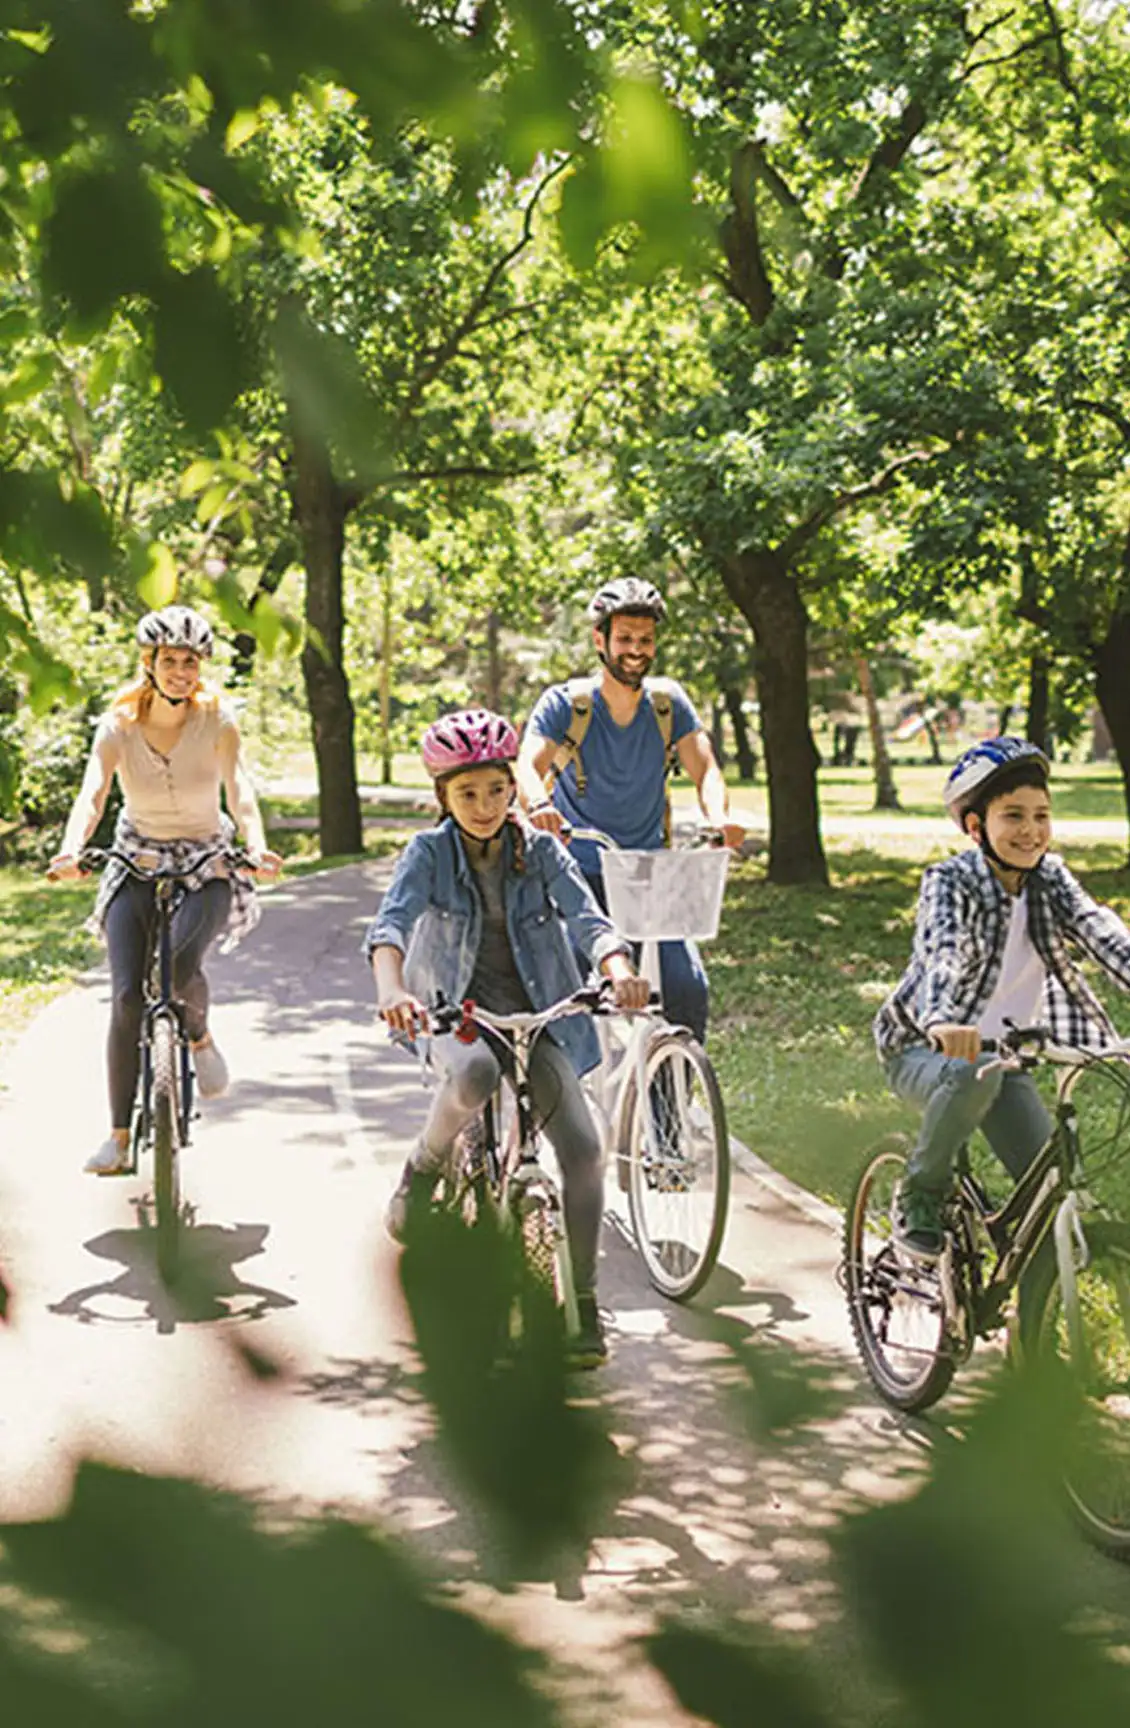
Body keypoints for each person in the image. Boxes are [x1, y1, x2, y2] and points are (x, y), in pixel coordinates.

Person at [365, 706, 648, 1369]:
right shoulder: (428, 852)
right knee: (472, 1078)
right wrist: (392, 991)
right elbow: (391, 927)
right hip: (455, 1013)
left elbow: (587, 918)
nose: (486, 804)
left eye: (497, 788)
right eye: (467, 793)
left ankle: (580, 1300)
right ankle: (424, 1167)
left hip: (536, 1013)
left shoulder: (542, 849)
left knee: (582, 1148)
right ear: (443, 797)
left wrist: (619, 969)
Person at [874, 735, 1130, 1259]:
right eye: (1013, 816)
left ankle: (1029, 1338)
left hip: (1007, 1063)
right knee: (971, 1072)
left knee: (1046, 1203)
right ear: (976, 826)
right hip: (926, 1050)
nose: (1031, 831)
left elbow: (1101, 932)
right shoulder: (950, 881)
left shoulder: (1049, 879)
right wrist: (943, 1019)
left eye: (1041, 815)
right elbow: (942, 949)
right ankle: (919, 1194)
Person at [48, 605, 281, 1175]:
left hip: (206, 859)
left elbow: (240, 791)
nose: (181, 672)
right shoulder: (118, 726)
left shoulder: (218, 720)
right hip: (136, 855)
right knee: (127, 997)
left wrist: (255, 843)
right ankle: (120, 1139)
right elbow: (93, 794)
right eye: (170, 660)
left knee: (177, 965)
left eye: (191, 661)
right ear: (148, 663)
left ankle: (197, 1038)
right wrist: (72, 847)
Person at [515, 577, 745, 1043]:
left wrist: (718, 816)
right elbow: (525, 765)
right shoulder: (567, 705)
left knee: (685, 989)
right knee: (573, 1000)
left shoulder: (668, 704)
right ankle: (563, 1103)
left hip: (649, 875)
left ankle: (670, 1102)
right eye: (624, 639)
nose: (635, 650)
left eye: (645, 640)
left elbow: (707, 770)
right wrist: (538, 805)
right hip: (579, 874)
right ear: (600, 640)